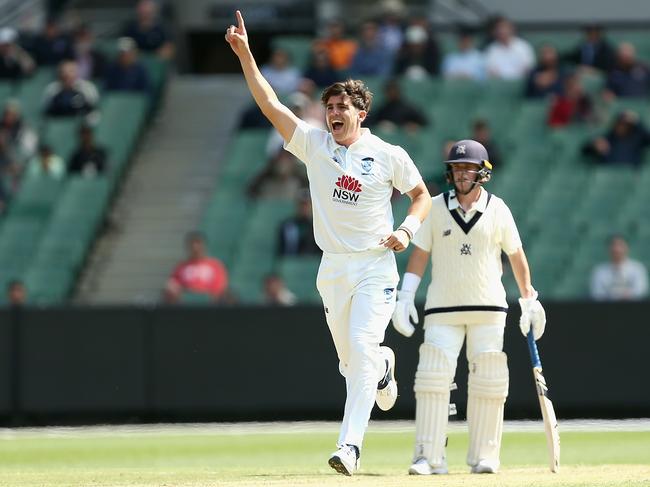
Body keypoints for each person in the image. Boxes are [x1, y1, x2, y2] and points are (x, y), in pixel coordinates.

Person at [226, 10, 431, 476]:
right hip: (333, 269)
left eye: (344, 107)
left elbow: (421, 196)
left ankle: (350, 447)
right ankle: (383, 366)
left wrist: (405, 231)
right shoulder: (316, 145)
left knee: (358, 347)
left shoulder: (387, 154)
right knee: (350, 362)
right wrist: (246, 55)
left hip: (376, 265)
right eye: (330, 106)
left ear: (362, 113)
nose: (335, 113)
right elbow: (271, 106)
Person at [392, 139, 546, 475]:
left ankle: (485, 456)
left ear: (482, 172)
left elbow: (516, 256)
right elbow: (420, 256)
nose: (462, 174)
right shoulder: (433, 207)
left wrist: (528, 298)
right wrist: (405, 296)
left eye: (468, 168)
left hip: (488, 307)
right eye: (457, 168)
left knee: (489, 379)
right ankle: (428, 457)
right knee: (432, 377)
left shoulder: (498, 209)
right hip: (442, 308)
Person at [164, 231, 229, 303]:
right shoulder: (181, 267)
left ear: (204, 245)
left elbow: (220, 287)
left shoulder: (215, 265)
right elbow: (173, 284)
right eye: (192, 243)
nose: (195, 247)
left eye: (198, 243)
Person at [582, 110, 650, 167]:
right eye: (621, 123)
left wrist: (637, 121)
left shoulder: (638, 138)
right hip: (608, 174)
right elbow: (585, 151)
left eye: (626, 125)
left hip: (632, 175)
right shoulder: (608, 138)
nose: (622, 127)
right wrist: (594, 146)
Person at [590, 235, 648, 301]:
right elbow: (597, 294)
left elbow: (640, 291)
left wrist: (625, 295)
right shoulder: (599, 271)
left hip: (633, 308)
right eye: (613, 245)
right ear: (608, 249)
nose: (616, 249)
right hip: (607, 309)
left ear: (626, 247)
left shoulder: (637, 268)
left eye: (620, 245)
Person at [277, 190, 319, 256]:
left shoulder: (318, 226)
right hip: (292, 263)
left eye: (307, 204)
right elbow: (282, 251)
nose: (304, 208)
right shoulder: (287, 226)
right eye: (301, 204)